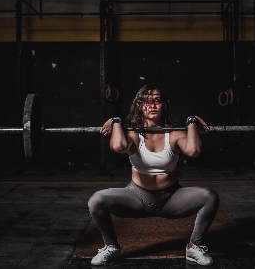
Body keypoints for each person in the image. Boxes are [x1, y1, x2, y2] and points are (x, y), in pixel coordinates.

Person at [88, 84, 220, 266]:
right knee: (96, 200)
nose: (151, 105)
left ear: (164, 104)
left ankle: (194, 247)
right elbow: (118, 146)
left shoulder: (174, 134)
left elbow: (194, 150)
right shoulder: (133, 135)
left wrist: (191, 122)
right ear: (139, 106)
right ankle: (112, 247)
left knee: (209, 196)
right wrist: (116, 121)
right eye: (146, 101)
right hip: (136, 198)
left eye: (156, 100)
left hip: (171, 198)